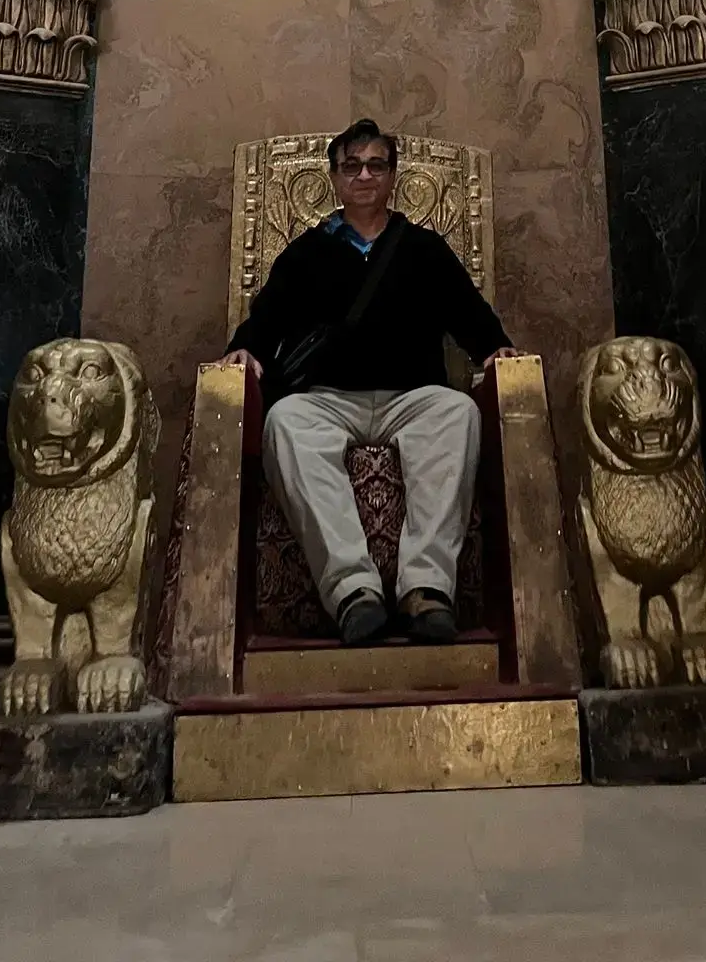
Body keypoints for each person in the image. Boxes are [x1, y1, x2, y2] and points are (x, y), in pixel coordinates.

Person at [221, 118, 517, 648]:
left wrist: (497, 349)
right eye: (351, 166)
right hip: (327, 400)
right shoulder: (306, 252)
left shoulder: (424, 249)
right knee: (284, 422)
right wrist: (244, 351)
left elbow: (469, 314)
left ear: (392, 176)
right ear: (335, 178)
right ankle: (354, 593)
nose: (363, 175)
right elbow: (266, 319)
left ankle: (426, 591)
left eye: (376, 165)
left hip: (411, 397)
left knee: (458, 413)